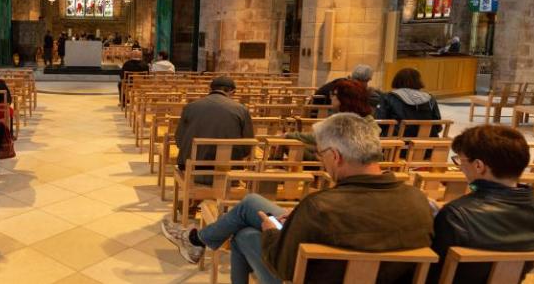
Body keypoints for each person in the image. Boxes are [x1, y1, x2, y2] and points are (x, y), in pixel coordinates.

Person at [163, 113, 434, 284]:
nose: (321, 161)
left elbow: (284, 266)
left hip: (313, 275)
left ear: (335, 156)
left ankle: (198, 240)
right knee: (250, 205)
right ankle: (198, 239)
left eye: (319, 155)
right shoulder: (417, 200)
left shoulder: (320, 207)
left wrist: (271, 231)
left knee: (244, 235)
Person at [428, 125, 534, 283]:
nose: (460, 167)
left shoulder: (455, 215)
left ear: (478, 166)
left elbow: (432, 271)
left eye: (460, 160)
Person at [175, 76, 254, 171]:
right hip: (228, 169)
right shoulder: (241, 109)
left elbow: (179, 139)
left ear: (210, 89)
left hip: (191, 168)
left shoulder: (190, 107)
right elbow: (248, 144)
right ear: (232, 92)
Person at [285, 79, 374, 159]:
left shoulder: (343, 119)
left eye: (333, 94)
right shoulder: (367, 118)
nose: (331, 97)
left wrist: (289, 135)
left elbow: (317, 137)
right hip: (352, 158)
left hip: (340, 163)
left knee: (288, 144)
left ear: (344, 99)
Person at [376, 67, 442, 136]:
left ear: (397, 80)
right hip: (427, 143)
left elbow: (379, 123)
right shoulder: (430, 98)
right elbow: (438, 127)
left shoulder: (388, 97)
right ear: (418, 81)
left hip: (397, 142)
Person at [313, 64, 381, 109]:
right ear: (363, 81)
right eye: (367, 81)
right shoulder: (347, 88)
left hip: (320, 111)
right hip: (320, 113)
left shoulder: (343, 82)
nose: (366, 85)